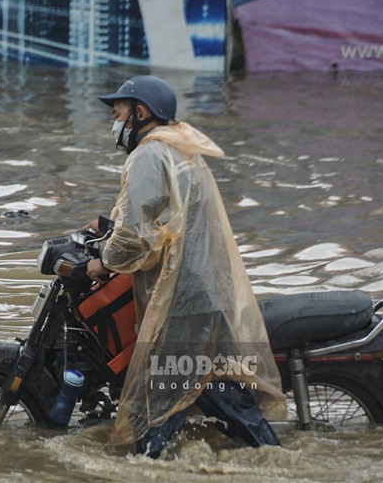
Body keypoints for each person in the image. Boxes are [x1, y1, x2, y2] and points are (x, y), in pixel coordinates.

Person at [85, 75, 285, 457]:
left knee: (163, 390)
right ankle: (270, 454)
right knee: (200, 379)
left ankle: (148, 466)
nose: (115, 122)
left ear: (139, 113)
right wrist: (104, 226)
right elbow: (166, 220)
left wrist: (104, 263)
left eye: (118, 113)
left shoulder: (148, 154)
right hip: (204, 288)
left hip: (184, 297)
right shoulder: (180, 149)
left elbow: (136, 236)